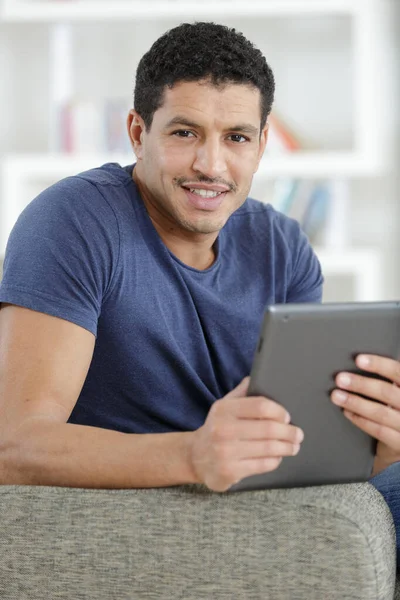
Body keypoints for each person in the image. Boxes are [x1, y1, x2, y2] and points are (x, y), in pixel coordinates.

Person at [0, 21, 399, 556]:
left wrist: (381, 444)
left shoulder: (284, 245)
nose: (211, 165)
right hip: (136, 508)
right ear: (139, 134)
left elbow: (301, 451)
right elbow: (13, 444)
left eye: (235, 137)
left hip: (256, 499)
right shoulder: (74, 221)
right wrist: (193, 455)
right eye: (184, 133)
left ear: (261, 145)